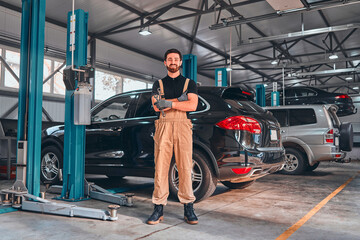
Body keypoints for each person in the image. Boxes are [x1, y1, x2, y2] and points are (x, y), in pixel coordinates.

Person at [147, 49, 199, 225]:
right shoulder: (158, 84)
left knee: (185, 167)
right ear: (165, 62)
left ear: (180, 62)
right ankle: (158, 208)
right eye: (170, 59)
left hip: (183, 126)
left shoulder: (190, 83)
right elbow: (156, 107)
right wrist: (179, 101)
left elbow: (192, 105)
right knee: (160, 168)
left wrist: (168, 103)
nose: (173, 62)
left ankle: (188, 206)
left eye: (176, 59)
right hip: (163, 126)